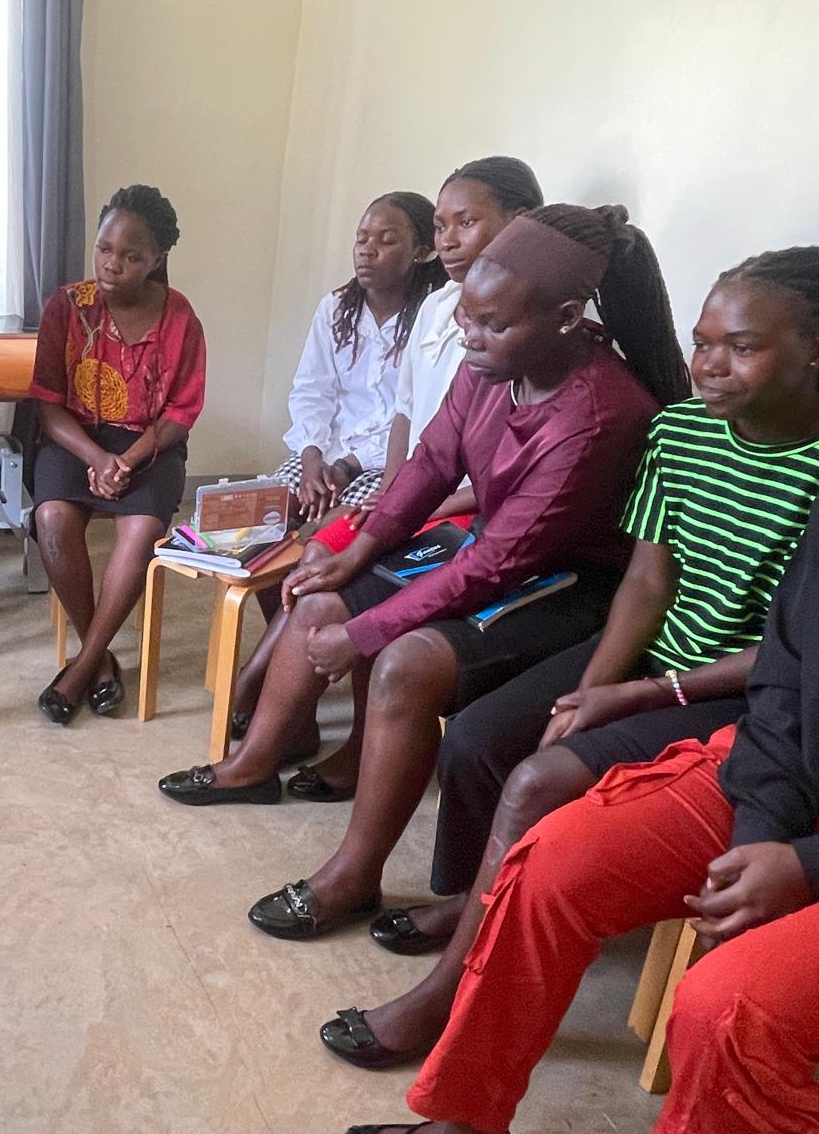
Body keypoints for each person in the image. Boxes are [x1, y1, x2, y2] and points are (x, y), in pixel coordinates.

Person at [322, 247, 819, 1069]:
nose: (710, 366)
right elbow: (647, 582)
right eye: (703, 342)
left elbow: (790, 654)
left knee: (538, 780)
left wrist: (643, 694)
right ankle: (477, 901)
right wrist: (592, 689)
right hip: (656, 653)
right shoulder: (683, 431)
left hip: (741, 690)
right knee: (480, 738)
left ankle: (450, 992)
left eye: (742, 347)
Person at [158, 205, 692, 942]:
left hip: (571, 587)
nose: (469, 337)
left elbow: (501, 564)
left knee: (403, 662)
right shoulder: (495, 362)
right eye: (467, 317)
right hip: (499, 550)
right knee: (321, 599)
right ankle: (253, 764)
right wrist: (358, 550)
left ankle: (354, 874)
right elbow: (434, 460)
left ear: (569, 319)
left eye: (490, 324)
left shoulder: (600, 413)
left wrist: (368, 631)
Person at [347, 503, 819, 1134]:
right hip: (781, 770)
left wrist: (803, 865)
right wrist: (760, 833)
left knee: (730, 1007)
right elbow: (787, 678)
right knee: (550, 862)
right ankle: (465, 1114)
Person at [227, 160, 544, 735]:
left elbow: (475, 458)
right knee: (284, 535)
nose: (367, 250)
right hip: (396, 475)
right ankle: (289, 705)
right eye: (361, 238)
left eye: (464, 223)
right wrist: (321, 460)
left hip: (434, 491)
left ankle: (263, 686)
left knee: (328, 557)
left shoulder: (516, 329)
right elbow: (380, 406)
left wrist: (388, 490)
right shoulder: (424, 308)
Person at [29, 185, 206, 724]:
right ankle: (100, 658)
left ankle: (82, 666)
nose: (112, 264)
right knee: (53, 518)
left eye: (130, 255)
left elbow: (180, 411)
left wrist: (127, 460)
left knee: (142, 531)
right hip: (74, 438)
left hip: (150, 445)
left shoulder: (179, 316)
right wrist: (96, 458)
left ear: (156, 258)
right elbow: (48, 404)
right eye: (104, 248)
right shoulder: (67, 306)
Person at [273, 192, 448, 532]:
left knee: (333, 530)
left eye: (387, 240)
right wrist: (311, 457)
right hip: (326, 451)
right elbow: (312, 391)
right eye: (362, 238)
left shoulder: (432, 319)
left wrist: (350, 465)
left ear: (420, 252)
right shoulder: (336, 309)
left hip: (389, 464)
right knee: (263, 515)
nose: (367, 250)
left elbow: (415, 416)